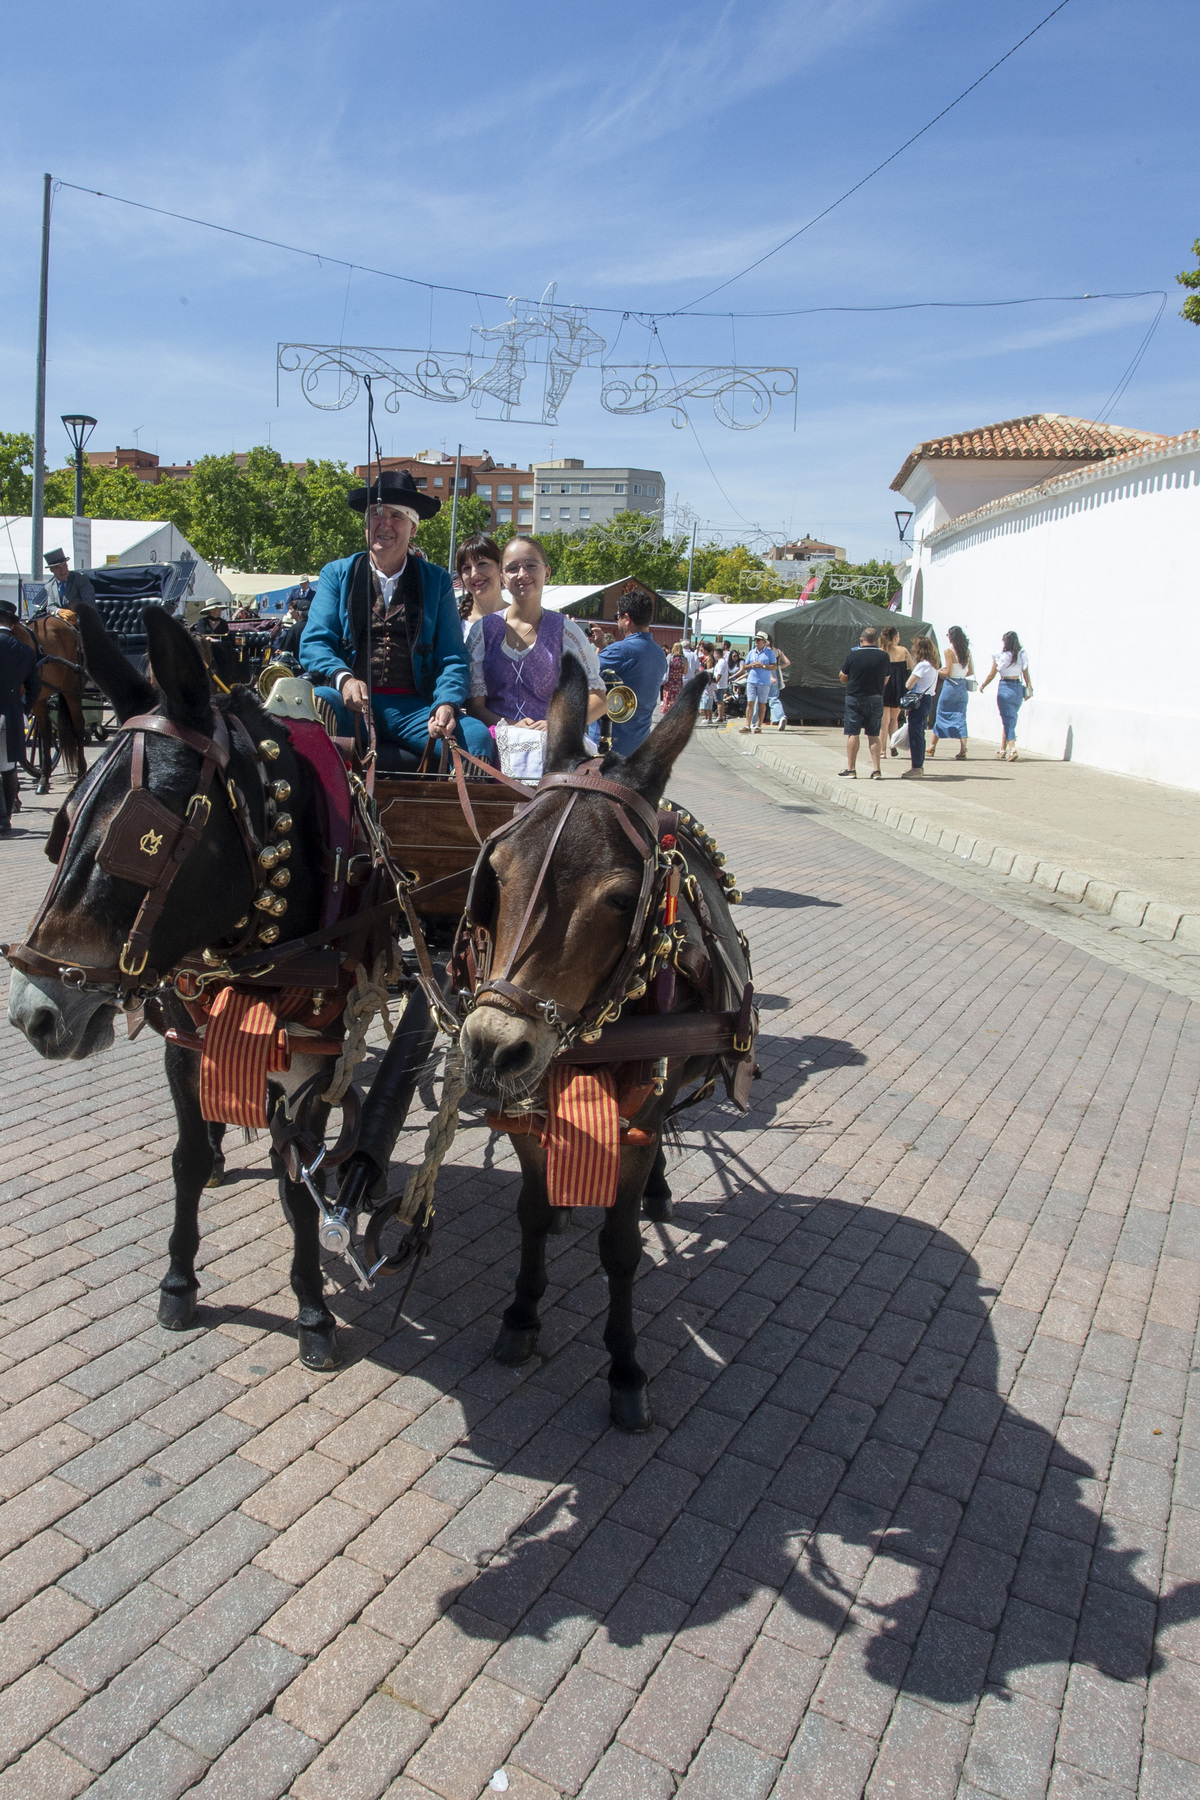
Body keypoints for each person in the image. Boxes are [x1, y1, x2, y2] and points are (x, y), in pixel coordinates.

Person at [301, 467, 494, 765]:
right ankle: (323, 810)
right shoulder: (336, 574)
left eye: (397, 516)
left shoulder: (437, 581)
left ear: (413, 528)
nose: (385, 524)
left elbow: (453, 658)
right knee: (320, 703)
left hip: (415, 710)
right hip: (350, 706)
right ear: (365, 525)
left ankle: (456, 812)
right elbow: (315, 642)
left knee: (477, 738)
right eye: (376, 514)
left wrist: (446, 702)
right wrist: (344, 680)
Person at [465, 536, 606, 774]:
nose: (522, 574)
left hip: (554, 749)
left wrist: (559, 724)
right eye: (512, 568)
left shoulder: (566, 631)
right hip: (498, 745)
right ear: (502, 578)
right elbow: (474, 705)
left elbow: (599, 699)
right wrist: (509, 726)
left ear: (547, 572)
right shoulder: (483, 631)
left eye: (531, 565)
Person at [598, 592, 668, 755]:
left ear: (627, 618)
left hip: (609, 746)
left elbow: (583, 673)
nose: (617, 621)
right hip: (639, 744)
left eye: (617, 616)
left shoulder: (620, 650)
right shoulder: (659, 653)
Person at [0, 600, 40, 834]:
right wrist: (22, 710)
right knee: (7, 765)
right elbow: (34, 688)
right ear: (13, 625)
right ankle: (4, 819)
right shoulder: (25, 651)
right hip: (11, 714)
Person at [838, 625, 891, 778]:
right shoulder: (884, 656)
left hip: (855, 697)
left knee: (853, 733)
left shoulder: (853, 655)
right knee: (874, 734)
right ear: (876, 641)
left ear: (861, 640)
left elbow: (843, 676)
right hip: (875, 697)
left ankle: (851, 769)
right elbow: (886, 679)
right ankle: (876, 770)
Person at [979, 630, 1033, 761]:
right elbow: (1026, 674)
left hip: (1005, 687)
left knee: (1007, 718)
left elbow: (991, 675)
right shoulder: (1021, 655)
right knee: (1010, 718)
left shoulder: (1001, 656)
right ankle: (1003, 749)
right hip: (1017, 688)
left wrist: (983, 685)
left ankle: (1013, 748)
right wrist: (1029, 688)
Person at [900, 635, 941, 779]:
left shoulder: (922, 665)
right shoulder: (933, 665)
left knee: (915, 733)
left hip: (918, 699)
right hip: (927, 699)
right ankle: (918, 764)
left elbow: (909, 684)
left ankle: (916, 766)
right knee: (919, 733)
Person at [930, 625, 973, 760]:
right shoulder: (966, 651)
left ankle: (932, 746)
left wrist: (936, 671)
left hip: (950, 686)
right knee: (961, 716)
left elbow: (948, 672)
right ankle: (963, 748)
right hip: (961, 686)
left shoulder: (949, 651)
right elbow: (970, 671)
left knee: (941, 714)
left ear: (951, 637)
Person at [456, 533, 507, 631]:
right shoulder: (454, 624)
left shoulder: (522, 619)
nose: (474, 574)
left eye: (482, 564)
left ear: (500, 567)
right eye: (467, 568)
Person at [880, 625, 913, 757]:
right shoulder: (903, 651)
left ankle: (882, 751)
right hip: (899, 687)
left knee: (884, 722)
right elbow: (912, 668)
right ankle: (892, 745)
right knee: (894, 719)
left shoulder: (881, 651)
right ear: (895, 637)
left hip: (885, 686)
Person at [738, 630, 779, 735]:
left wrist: (763, 666)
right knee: (750, 702)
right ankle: (748, 725)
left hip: (764, 681)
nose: (756, 641)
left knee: (762, 704)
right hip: (752, 680)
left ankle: (758, 725)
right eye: (755, 639)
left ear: (764, 642)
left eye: (758, 640)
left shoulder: (770, 653)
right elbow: (745, 666)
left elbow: (774, 666)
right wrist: (752, 665)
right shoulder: (752, 652)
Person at [662, 641, 688, 713]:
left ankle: (667, 711)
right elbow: (685, 672)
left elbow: (665, 668)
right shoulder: (684, 659)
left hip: (669, 681)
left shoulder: (670, 657)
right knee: (677, 698)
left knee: (668, 697)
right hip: (678, 682)